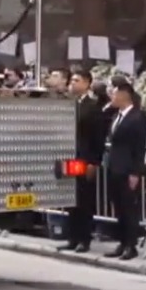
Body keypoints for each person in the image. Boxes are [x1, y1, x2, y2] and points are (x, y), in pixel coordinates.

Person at [58, 69, 107, 253]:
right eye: (71, 80)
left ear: (87, 83)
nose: (72, 83)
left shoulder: (93, 107)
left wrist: (94, 162)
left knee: (84, 200)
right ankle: (72, 236)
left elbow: (98, 137)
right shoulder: (70, 103)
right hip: (70, 157)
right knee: (71, 198)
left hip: (85, 158)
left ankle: (84, 239)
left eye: (77, 80)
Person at [103, 77, 146, 260]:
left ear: (124, 95)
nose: (111, 96)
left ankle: (131, 245)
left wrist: (135, 172)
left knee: (129, 208)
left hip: (128, 169)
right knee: (118, 207)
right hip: (114, 166)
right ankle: (121, 241)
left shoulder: (137, 117)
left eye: (114, 93)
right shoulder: (115, 115)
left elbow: (139, 147)